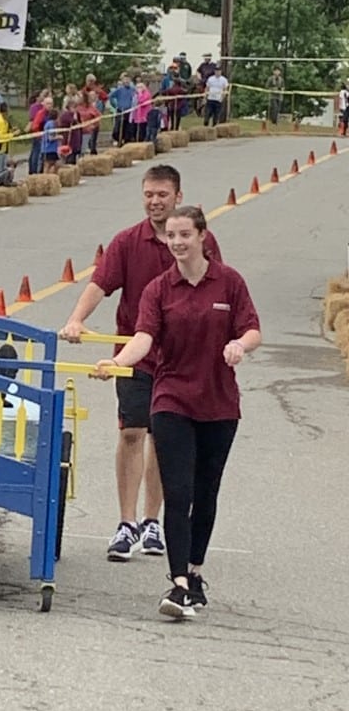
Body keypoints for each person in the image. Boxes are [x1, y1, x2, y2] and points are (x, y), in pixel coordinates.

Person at [95, 206, 261, 619]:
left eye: (185, 234)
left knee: (205, 493)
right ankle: (178, 584)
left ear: (202, 236)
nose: (177, 242)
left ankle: (195, 570)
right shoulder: (159, 289)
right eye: (171, 235)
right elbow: (144, 338)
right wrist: (119, 362)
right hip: (172, 398)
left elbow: (253, 328)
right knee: (179, 491)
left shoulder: (229, 281)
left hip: (219, 402)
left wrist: (241, 345)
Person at [60, 164, 222, 562]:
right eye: (149, 194)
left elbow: (215, 287)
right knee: (132, 431)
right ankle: (126, 522)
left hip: (180, 361)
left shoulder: (198, 240)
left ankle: (153, 521)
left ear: (178, 196)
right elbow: (100, 284)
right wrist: (76, 319)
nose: (155, 201)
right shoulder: (127, 242)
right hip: (137, 355)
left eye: (162, 194)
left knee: (163, 439)